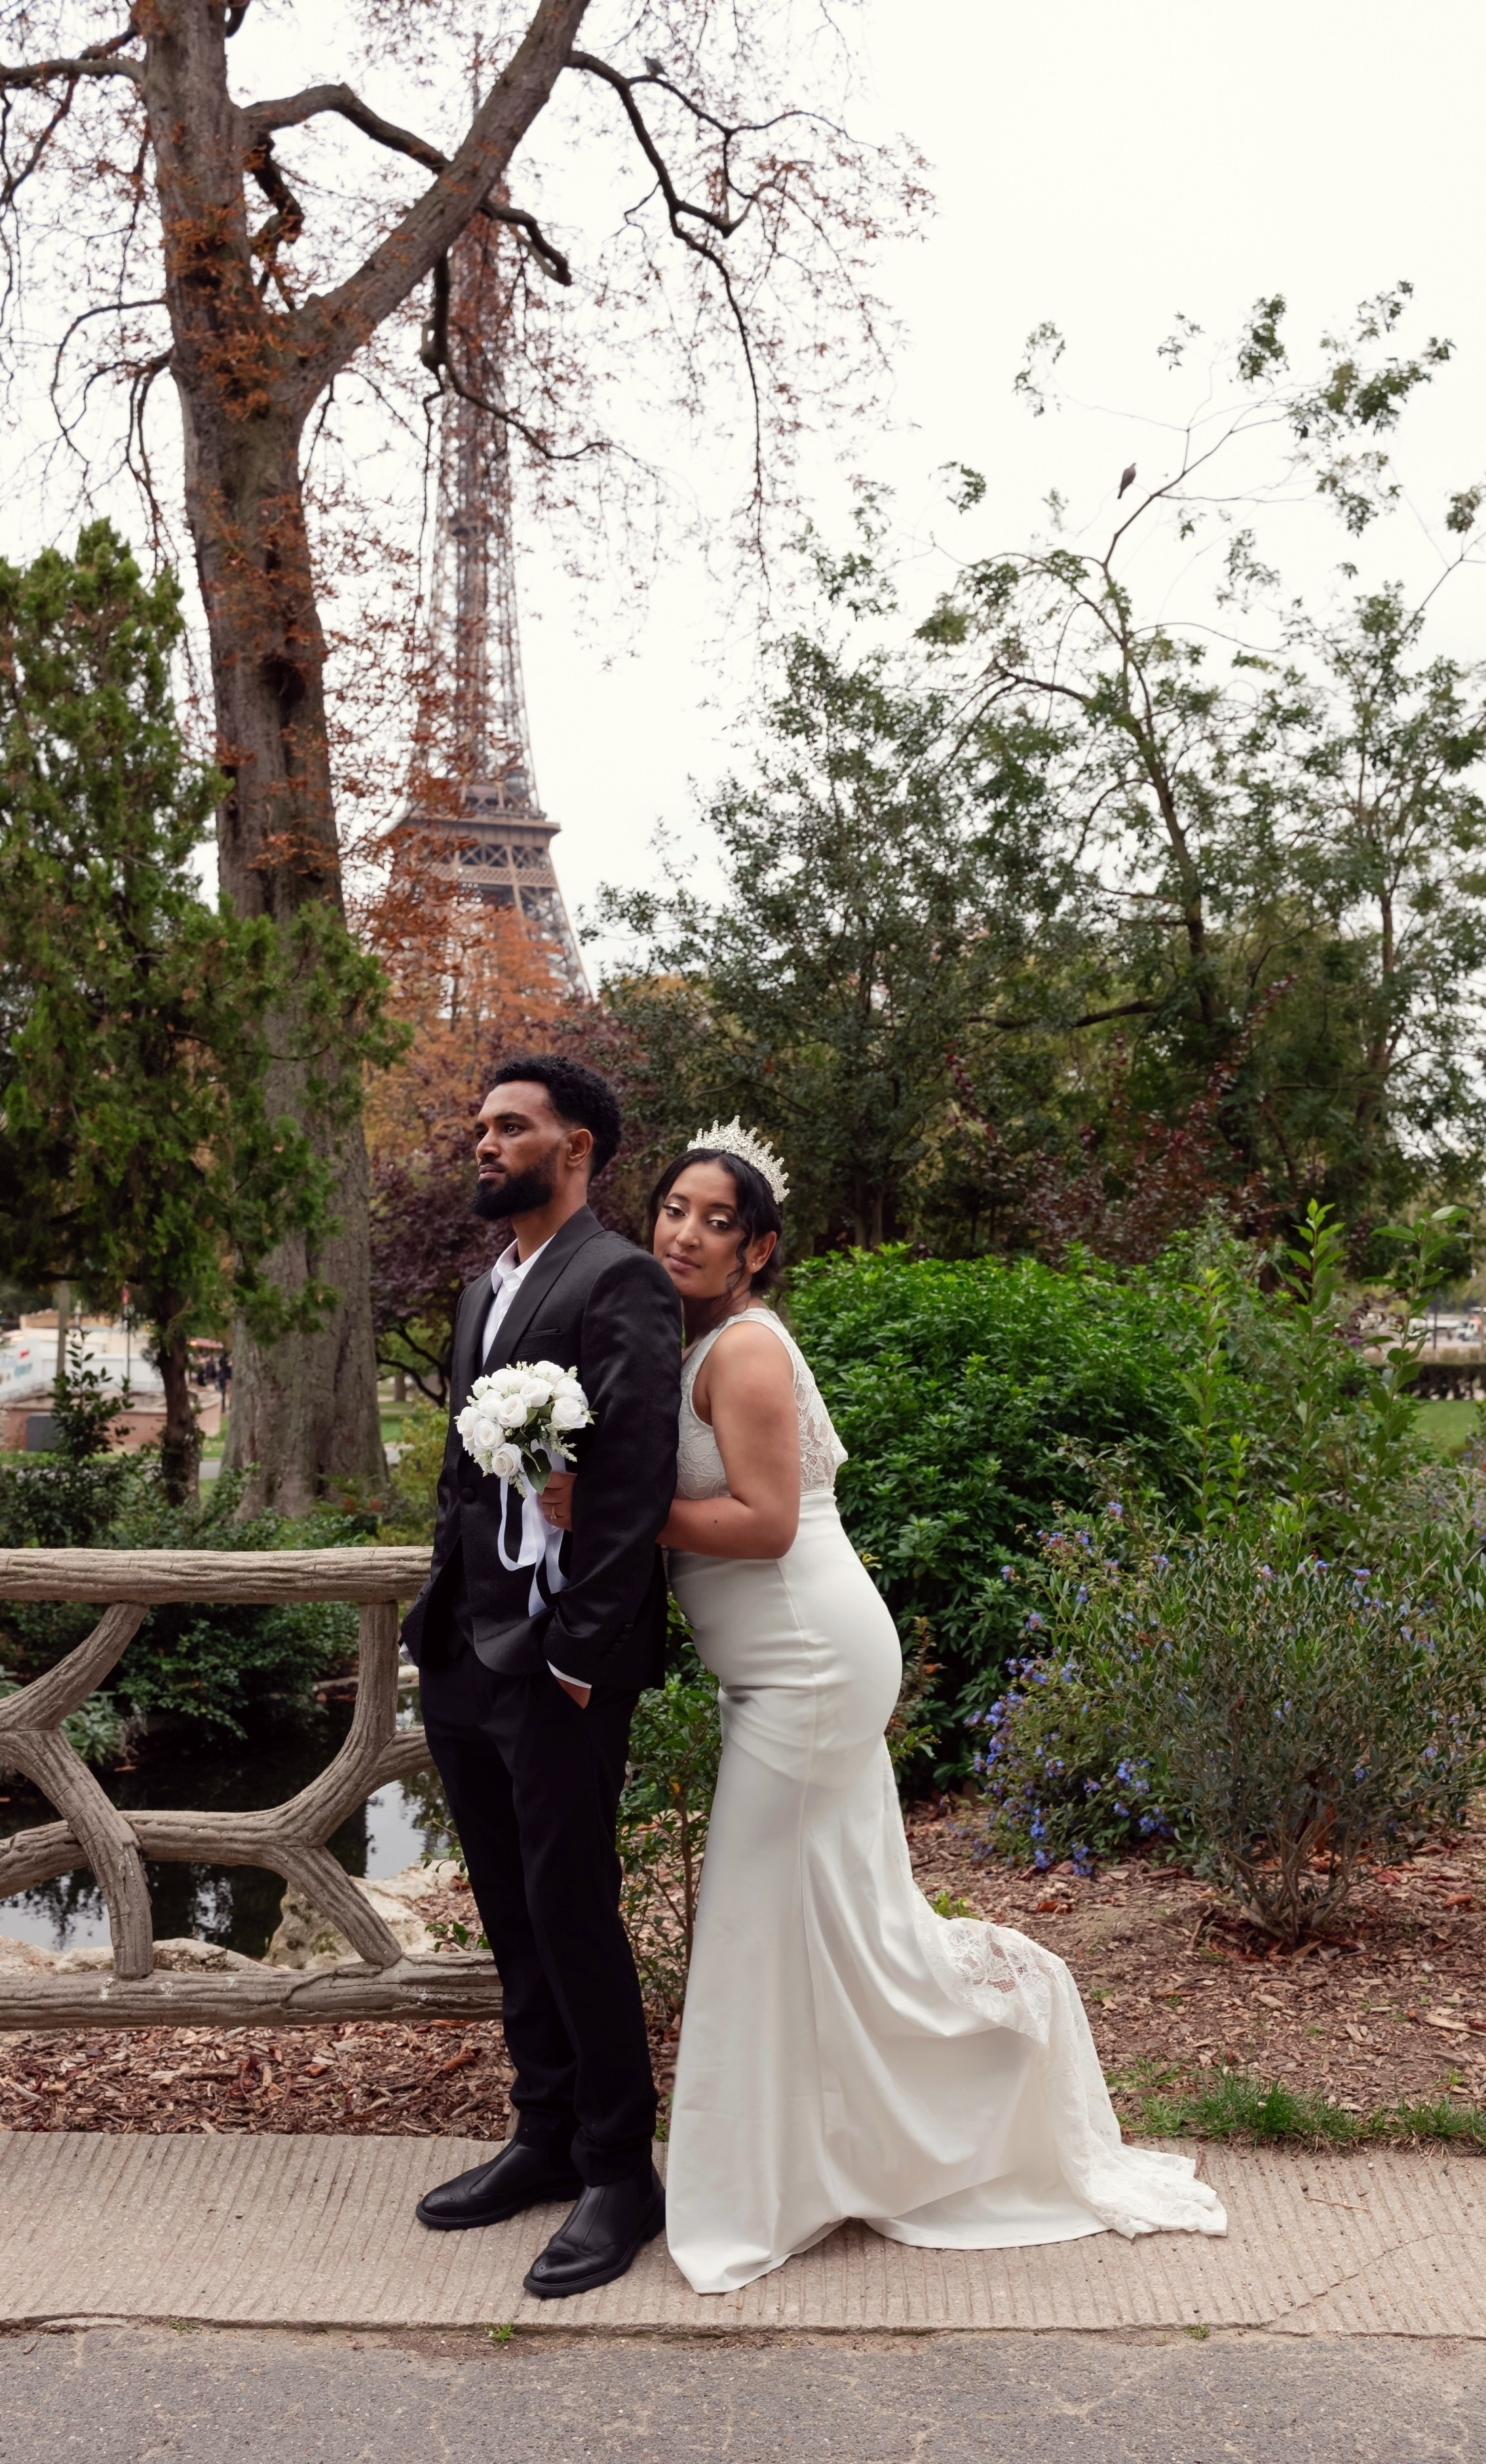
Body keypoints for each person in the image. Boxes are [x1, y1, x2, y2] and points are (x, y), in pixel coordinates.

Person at [544, 1118, 1226, 2294]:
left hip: (808, 1662)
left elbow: (765, 1524)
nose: (687, 1233)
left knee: (751, 1917)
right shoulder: (697, 1340)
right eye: (674, 1210)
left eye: (718, 1221)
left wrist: (604, 1506)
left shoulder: (743, 1351)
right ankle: (856, 2147)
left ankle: (751, 2196)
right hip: (782, 1665)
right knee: (834, 1921)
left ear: (759, 1249)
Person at [401, 1054, 681, 2299]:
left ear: (576, 1148)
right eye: (479, 1125)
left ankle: (621, 2170)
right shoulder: (482, 1291)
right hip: (468, 1650)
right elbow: (463, 1475)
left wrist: (578, 1652)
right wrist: (436, 1621)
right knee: (511, 1910)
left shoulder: (618, 1278)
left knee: (572, 1906)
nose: (483, 1141)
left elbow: (633, 1477)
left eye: (509, 1126)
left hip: (560, 1660)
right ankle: (547, 2132)